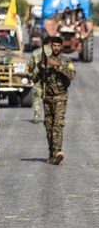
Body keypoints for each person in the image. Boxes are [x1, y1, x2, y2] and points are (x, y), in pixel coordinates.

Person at [31, 36, 75, 165]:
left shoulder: (66, 60)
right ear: (51, 46)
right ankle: (52, 153)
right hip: (47, 98)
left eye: (58, 46)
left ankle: (57, 151)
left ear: (61, 47)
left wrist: (59, 66)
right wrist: (39, 67)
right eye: (54, 45)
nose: (56, 48)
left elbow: (72, 75)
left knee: (58, 124)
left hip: (60, 97)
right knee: (49, 126)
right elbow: (34, 79)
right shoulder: (45, 59)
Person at [28, 36, 52, 124]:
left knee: (37, 96)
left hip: (38, 76)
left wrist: (31, 75)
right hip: (50, 78)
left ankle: (36, 115)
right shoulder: (54, 53)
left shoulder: (35, 52)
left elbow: (31, 66)